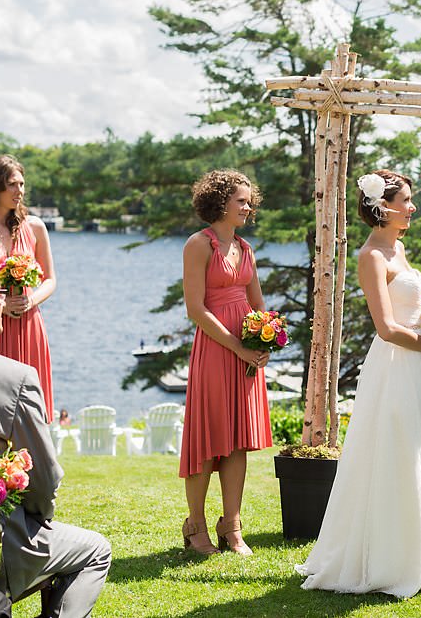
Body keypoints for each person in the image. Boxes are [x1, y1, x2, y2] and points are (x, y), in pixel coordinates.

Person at [295, 170, 421, 597]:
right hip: (397, 365)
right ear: (382, 206)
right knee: (396, 455)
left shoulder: (400, 247)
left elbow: (411, 311)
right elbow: (387, 328)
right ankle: (390, 560)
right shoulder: (371, 256)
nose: (412, 207)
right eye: (405, 200)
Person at [0, 252, 111, 616]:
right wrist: (36, 519)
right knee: (96, 550)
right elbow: (43, 480)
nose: (4, 298)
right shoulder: (14, 378)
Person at [179, 169, 272, 556]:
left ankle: (231, 525)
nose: (248, 207)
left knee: (237, 442)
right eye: (241, 201)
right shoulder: (199, 245)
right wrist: (238, 345)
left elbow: (258, 304)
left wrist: (267, 335)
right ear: (219, 202)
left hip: (246, 353)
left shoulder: (245, 249)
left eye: (250, 201)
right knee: (209, 439)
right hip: (217, 351)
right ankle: (195, 524)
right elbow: (195, 309)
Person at [0, 154, 57, 422]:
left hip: (28, 326)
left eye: (21, 184)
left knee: (29, 412)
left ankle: (30, 462)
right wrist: (0, 304)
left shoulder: (34, 227)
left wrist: (30, 302)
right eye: (11, 184)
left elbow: (50, 280)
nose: (19, 190)